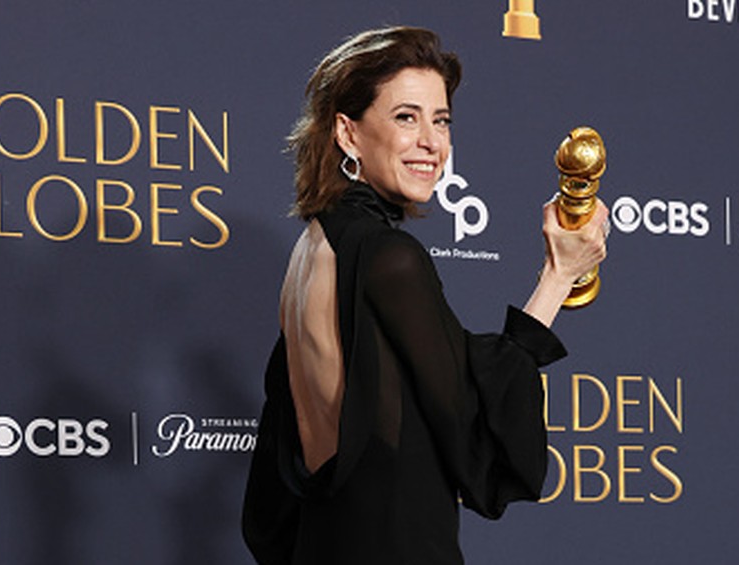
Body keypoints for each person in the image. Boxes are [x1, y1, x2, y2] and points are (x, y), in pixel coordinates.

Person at [242, 26, 608, 565]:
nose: (432, 143)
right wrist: (558, 276)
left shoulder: (315, 247)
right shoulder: (388, 258)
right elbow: (471, 430)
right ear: (348, 133)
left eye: (441, 120)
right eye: (405, 117)